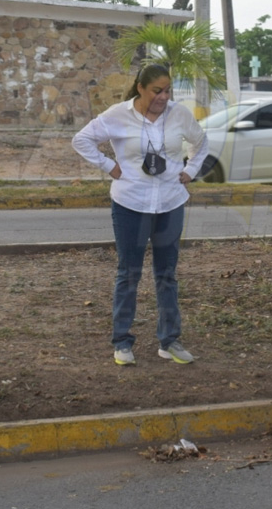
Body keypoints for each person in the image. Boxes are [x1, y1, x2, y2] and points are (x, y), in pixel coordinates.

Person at [72, 64, 209, 366]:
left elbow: (201, 143)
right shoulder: (117, 115)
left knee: (166, 275)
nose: (164, 97)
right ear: (140, 88)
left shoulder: (180, 114)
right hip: (130, 203)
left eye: (167, 90)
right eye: (157, 91)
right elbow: (81, 140)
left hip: (170, 203)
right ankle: (122, 342)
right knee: (129, 273)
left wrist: (189, 171)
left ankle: (169, 341)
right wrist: (110, 166)